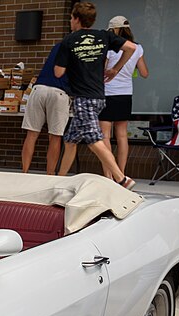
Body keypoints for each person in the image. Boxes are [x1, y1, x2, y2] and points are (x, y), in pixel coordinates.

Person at [54, 2, 137, 188]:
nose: (70, 21)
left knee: (94, 140)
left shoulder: (69, 40)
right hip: (99, 96)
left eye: (70, 18)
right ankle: (59, 179)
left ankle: (121, 178)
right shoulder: (104, 36)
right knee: (70, 140)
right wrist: (116, 69)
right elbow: (131, 48)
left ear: (76, 19)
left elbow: (58, 72)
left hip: (83, 98)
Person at [99, 15, 147, 177]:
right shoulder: (137, 48)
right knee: (122, 135)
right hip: (126, 94)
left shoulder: (111, 48)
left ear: (114, 30)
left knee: (105, 135)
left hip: (108, 93)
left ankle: (109, 175)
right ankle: (122, 174)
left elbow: (102, 70)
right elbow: (144, 73)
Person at [20, 43, 71, 174]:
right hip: (60, 92)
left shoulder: (58, 46)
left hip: (38, 89)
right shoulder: (81, 51)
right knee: (55, 136)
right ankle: (50, 175)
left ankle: (24, 172)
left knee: (31, 134)